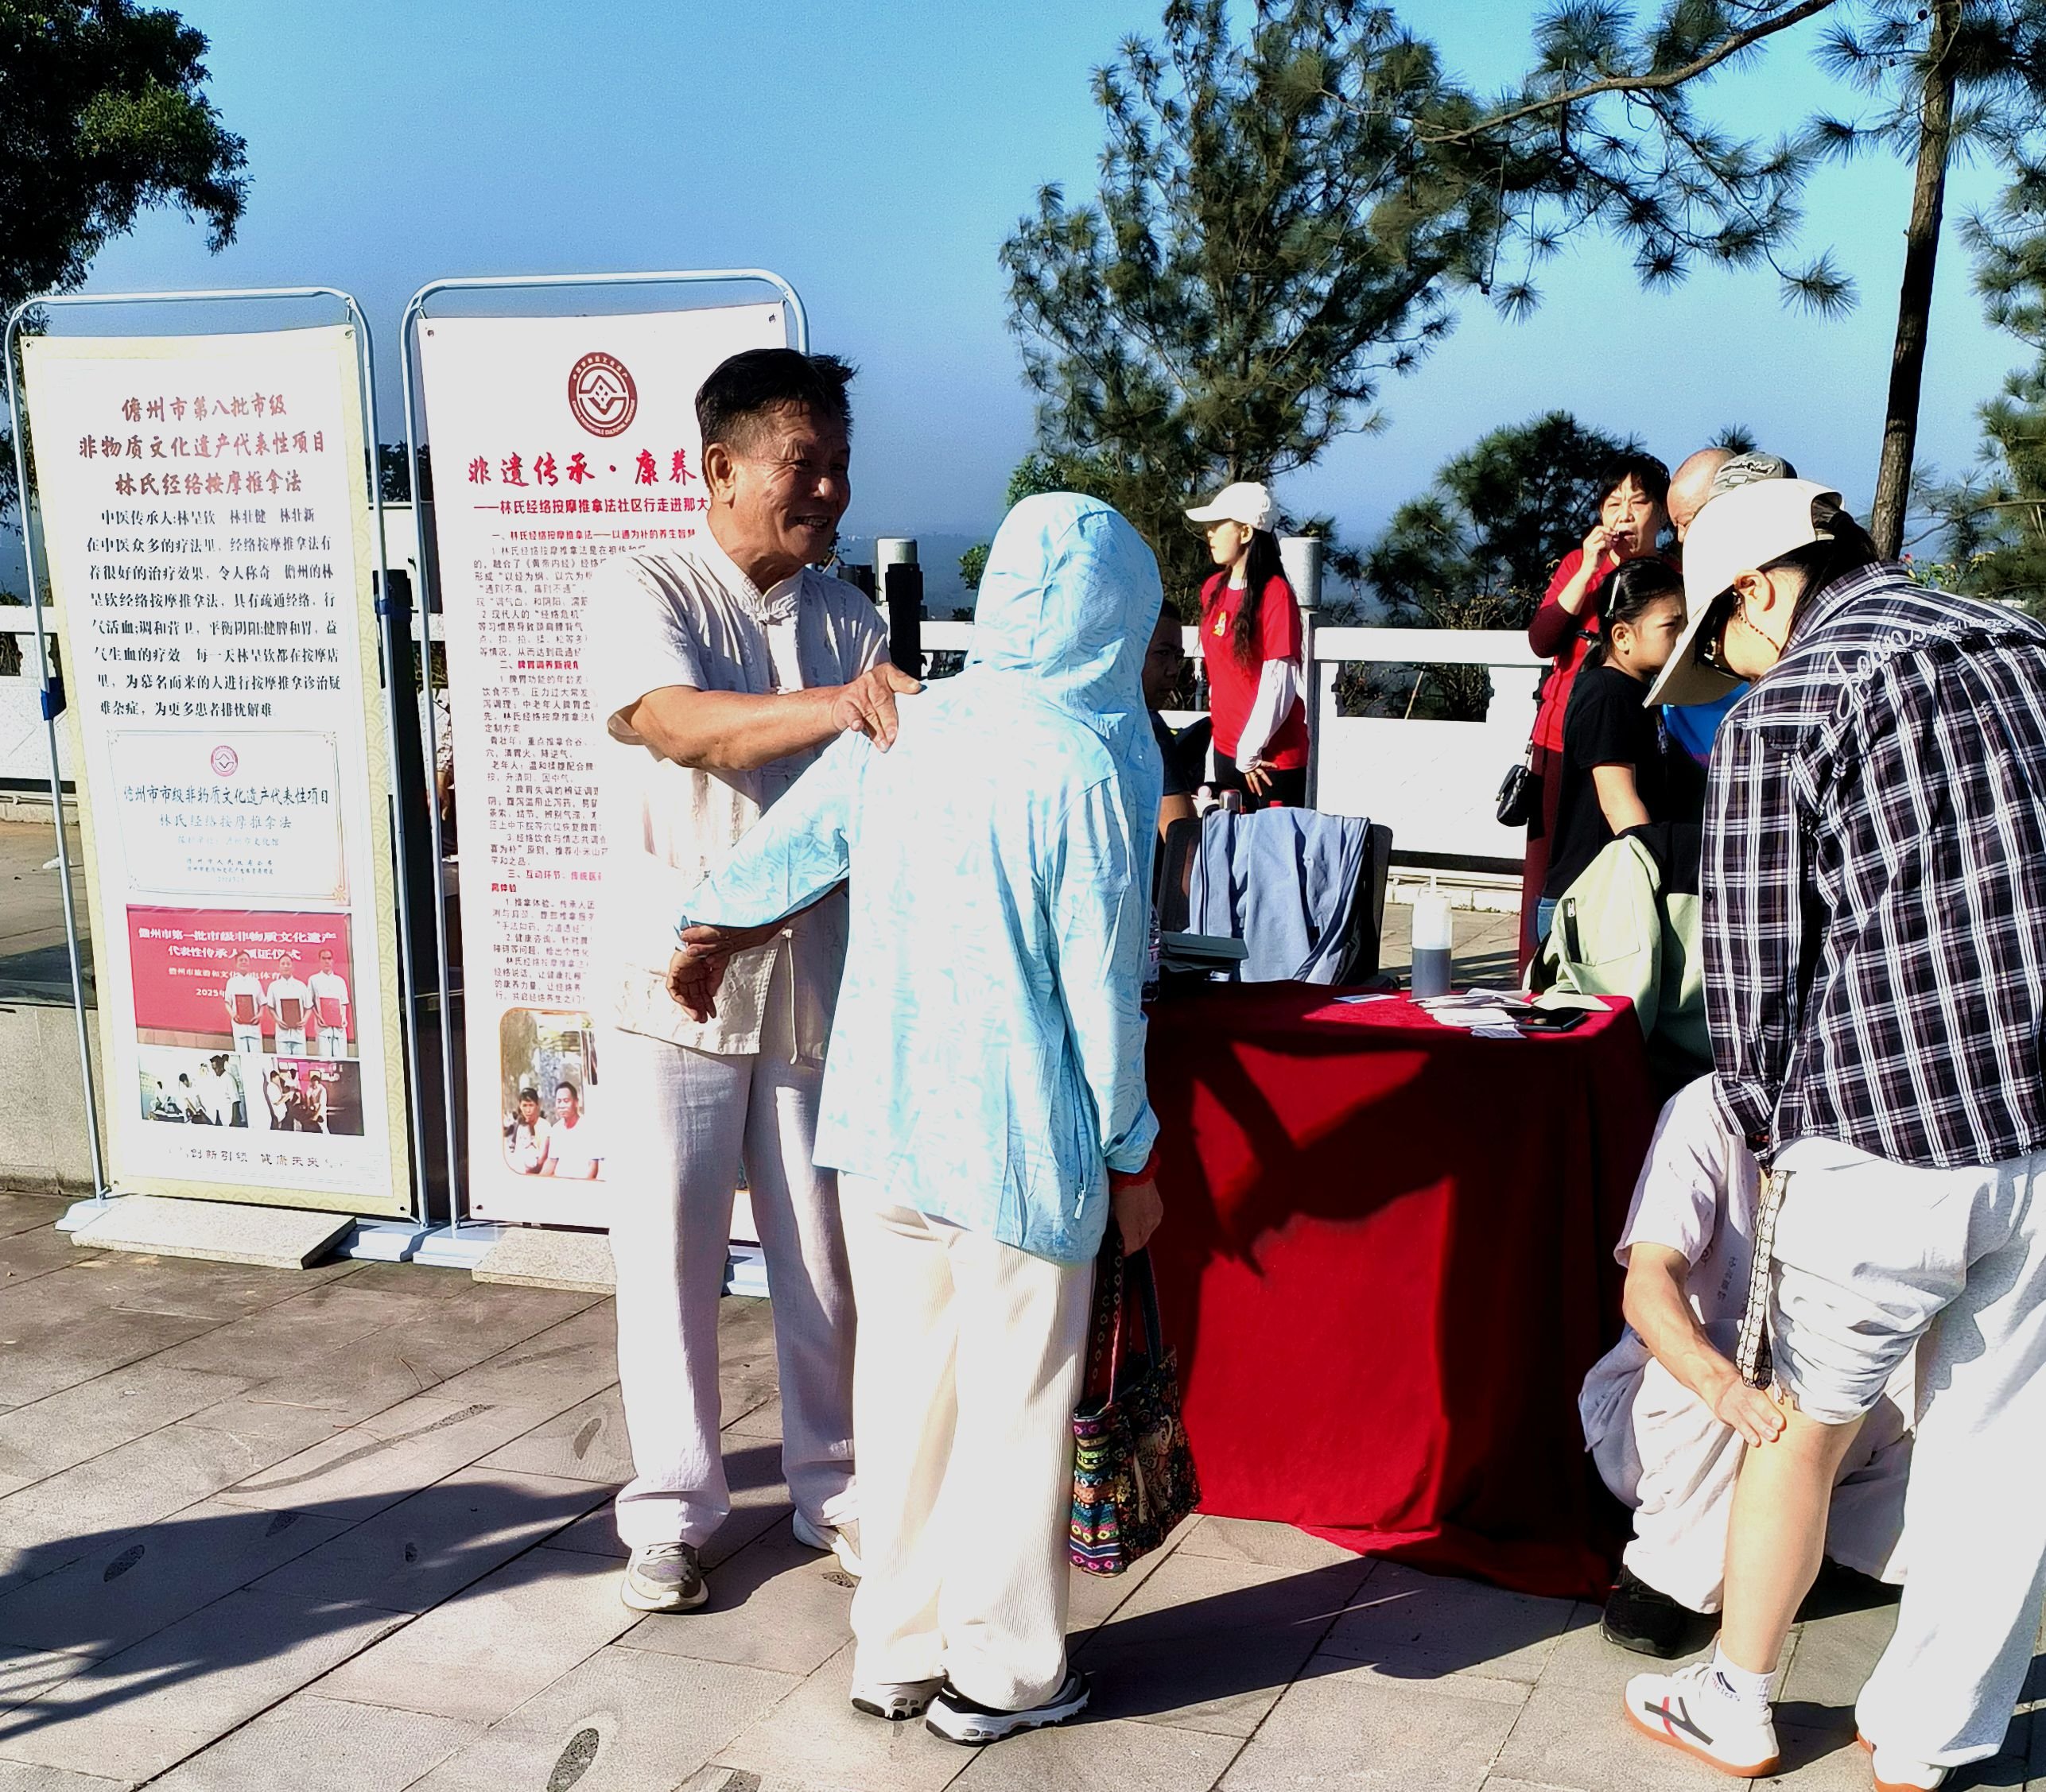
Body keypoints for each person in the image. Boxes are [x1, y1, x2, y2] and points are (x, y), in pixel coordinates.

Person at [669, 491, 1164, 1748]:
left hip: (885, 1126)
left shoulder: (907, 724)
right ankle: (1002, 1675)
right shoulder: (1087, 762)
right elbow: (1102, 992)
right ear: (1119, 618)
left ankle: (895, 1648)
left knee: (902, 1401)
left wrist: (706, 932)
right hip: (1019, 1141)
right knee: (1015, 1410)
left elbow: (787, 849)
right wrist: (1133, 1153)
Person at [1622, 479, 2046, 1789]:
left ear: (1755, 588)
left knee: (1795, 1426)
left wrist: (1761, 1134)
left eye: (1722, 637)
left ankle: (1737, 1697)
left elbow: (1751, 984)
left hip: (1875, 1132)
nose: (1732, 665)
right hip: (2038, 1131)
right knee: (2004, 1448)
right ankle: (1931, 1733)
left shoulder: (1788, 707)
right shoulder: (2027, 645)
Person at [579, 346, 914, 1616]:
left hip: (811, 979)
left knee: (823, 1254)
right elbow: (681, 725)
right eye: (800, 465)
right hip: (669, 979)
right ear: (719, 467)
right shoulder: (645, 585)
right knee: (668, 1253)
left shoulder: (849, 617)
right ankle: (671, 1510)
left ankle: (839, 1485)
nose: (826, 490)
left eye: (839, 465)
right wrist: (843, 707)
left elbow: (857, 812)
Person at [1582, 1077, 1911, 1658]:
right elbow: (1648, 1283)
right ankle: (1667, 1578)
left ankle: (1834, 1551)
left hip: (1827, 1402)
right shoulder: (1705, 1109)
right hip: (1685, 1406)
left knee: (1941, 1370)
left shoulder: (1893, 1106)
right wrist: (1722, 1385)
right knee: (1743, 1354)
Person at [1522, 456, 1673, 956]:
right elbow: (1542, 640)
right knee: (1554, 867)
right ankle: (1539, 968)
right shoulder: (1579, 566)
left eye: (1638, 502)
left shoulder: (1674, 575)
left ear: (1662, 513)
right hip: (1561, 737)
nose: (1624, 514)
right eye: (1613, 503)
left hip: (1643, 734)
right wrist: (1588, 568)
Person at [1536, 559, 1702, 944]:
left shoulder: (1636, 692)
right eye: (1671, 626)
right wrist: (1660, 881)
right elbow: (1620, 804)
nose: (1683, 637)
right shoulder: (1607, 695)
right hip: (1592, 903)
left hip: (1613, 896)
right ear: (1623, 636)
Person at [1185, 480, 1307, 810]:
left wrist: (1250, 750)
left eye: (1218, 524)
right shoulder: (1212, 589)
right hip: (1227, 750)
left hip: (1269, 761)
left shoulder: (1275, 594)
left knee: (1273, 843)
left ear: (1246, 532)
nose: (1210, 533)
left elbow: (1280, 681)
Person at [1142, 607, 1199, 839]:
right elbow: (1182, 843)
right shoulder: (1147, 729)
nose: (1173, 670)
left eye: (1178, 657)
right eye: (1162, 653)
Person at [540, 1081, 600, 1180]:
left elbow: (593, 1166)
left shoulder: (590, 1127)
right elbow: (552, 1161)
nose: (562, 1105)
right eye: (559, 1101)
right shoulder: (556, 1129)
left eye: (566, 1101)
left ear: (576, 1102)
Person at [309, 948, 351, 1060]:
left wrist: (344, 1018)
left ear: (333, 961)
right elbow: (310, 1002)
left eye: (329, 958)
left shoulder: (340, 981)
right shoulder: (314, 980)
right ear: (320, 960)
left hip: (339, 1028)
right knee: (324, 1060)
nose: (327, 961)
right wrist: (318, 1017)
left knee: (341, 1060)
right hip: (323, 1028)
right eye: (324, 959)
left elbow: (344, 1002)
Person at [267, 955, 311, 1058]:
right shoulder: (274, 986)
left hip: (298, 1034)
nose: (286, 966)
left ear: (293, 967)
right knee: (283, 1062)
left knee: (300, 1061)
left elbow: (309, 1007)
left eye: (288, 964)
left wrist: (304, 1020)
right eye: (283, 964)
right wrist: (278, 1020)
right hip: (282, 1034)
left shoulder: (301, 986)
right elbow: (270, 1007)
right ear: (279, 968)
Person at [223, 952, 266, 1054]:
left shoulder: (255, 982)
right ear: (236, 964)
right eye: (241, 960)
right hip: (239, 1026)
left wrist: (260, 1014)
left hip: (254, 1026)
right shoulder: (231, 982)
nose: (243, 962)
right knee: (242, 1056)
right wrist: (232, 1014)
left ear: (249, 963)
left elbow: (262, 1002)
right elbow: (227, 1002)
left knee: (257, 1056)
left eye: (245, 960)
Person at [507, 1086, 550, 1174]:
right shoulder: (520, 1126)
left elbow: (542, 1160)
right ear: (520, 1106)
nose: (528, 1110)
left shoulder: (545, 1126)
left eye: (531, 1105)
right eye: (524, 1106)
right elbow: (516, 1153)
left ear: (537, 1105)